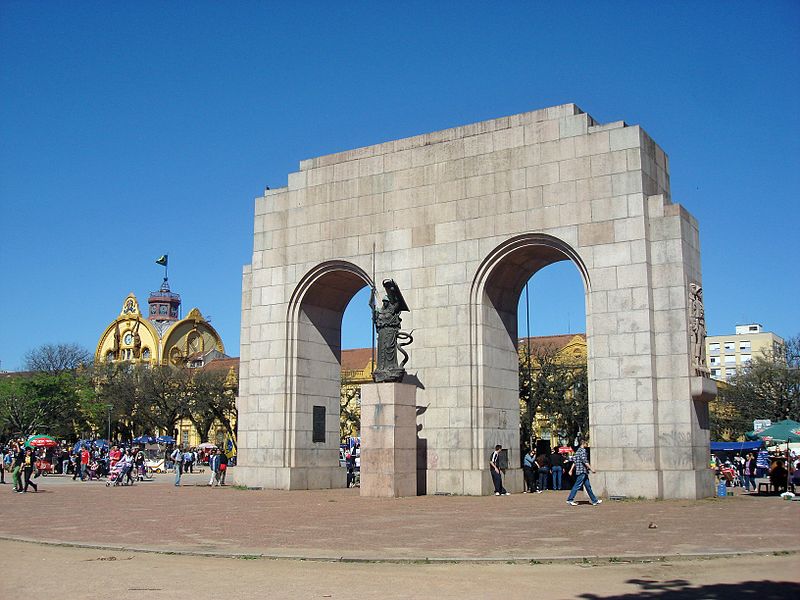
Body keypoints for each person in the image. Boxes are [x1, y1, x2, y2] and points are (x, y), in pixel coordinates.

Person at [566, 439, 601, 506]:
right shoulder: (583, 451)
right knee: (577, 485)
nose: (587, 444)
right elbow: (585, 461)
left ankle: (594, 500)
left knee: (588, 486)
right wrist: (591, 469)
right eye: (586, 443)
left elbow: (574, 461)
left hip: (581, 471)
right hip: (582, 471)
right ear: (583, 444)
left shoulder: (578, 451)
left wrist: (571, 470)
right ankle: (570, 499)